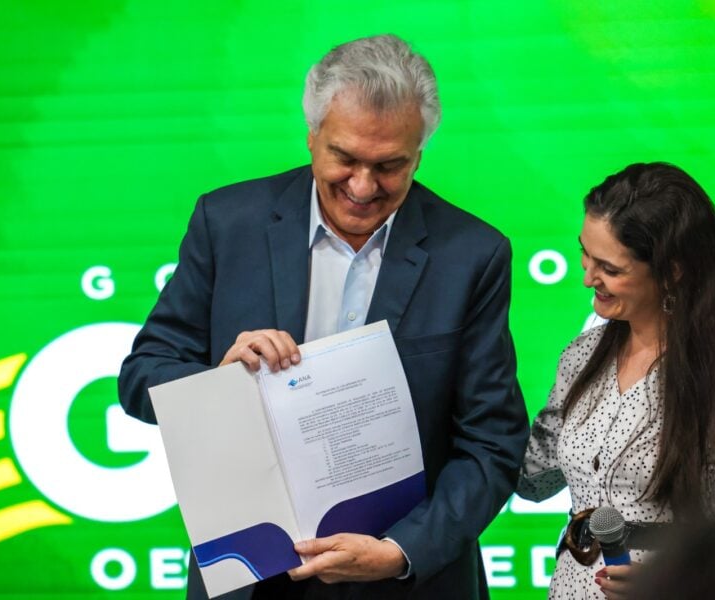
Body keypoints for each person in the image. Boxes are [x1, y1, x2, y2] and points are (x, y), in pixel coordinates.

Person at [118, 34, 529, 600]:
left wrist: (401, 552)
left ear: (420, 152)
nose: (363, 187)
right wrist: (218, 382)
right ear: (312, 135)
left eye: (390, 166)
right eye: (346, 158)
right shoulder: (226, 222)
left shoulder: (472, 254)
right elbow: (141, 377)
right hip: (251, 577)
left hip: (406, 580)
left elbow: (492, 443)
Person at [516, 162, 715, 599]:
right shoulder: (581, 357)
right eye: (584, 252)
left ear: (673, 270)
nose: (587, 277)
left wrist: (686, 581)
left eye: (610, 268)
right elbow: (531, 479)